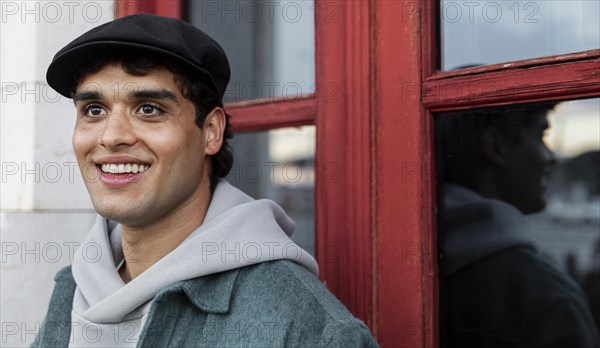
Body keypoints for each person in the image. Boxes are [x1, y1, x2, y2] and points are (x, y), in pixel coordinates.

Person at [34, 14, 378, 347]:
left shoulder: (306, 326)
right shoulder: (72, 289)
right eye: (94, 110)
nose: (111, 137)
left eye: (149, 108)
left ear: (210, 132)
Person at [437, 104, 600, 347]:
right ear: (496, 145)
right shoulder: (551, 299)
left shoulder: (413, 263)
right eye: (541, 135)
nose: (551, 156)